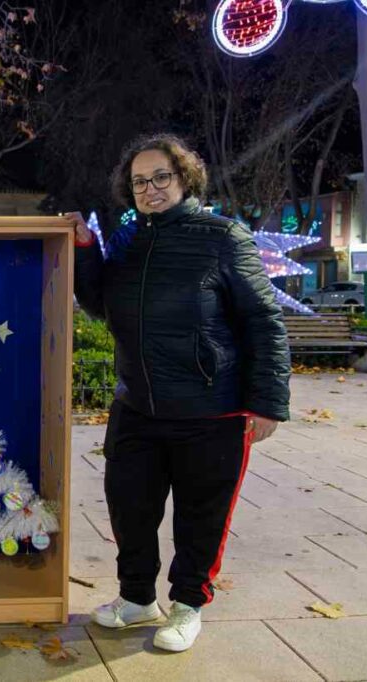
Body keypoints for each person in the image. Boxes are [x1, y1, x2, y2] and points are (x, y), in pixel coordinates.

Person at [65, 133, 290, 652]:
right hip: (137, 407)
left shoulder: (223, 237)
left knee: (200, 516)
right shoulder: (127, 240)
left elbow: (263, 321)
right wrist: (85, 249)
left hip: (210, 412)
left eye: (160, 177)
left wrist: (268, 403)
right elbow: (101, 304)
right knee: (129, 508)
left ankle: (188, 605)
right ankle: (137, 598)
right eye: (139, 181)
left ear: (185, 178)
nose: (150, 188)